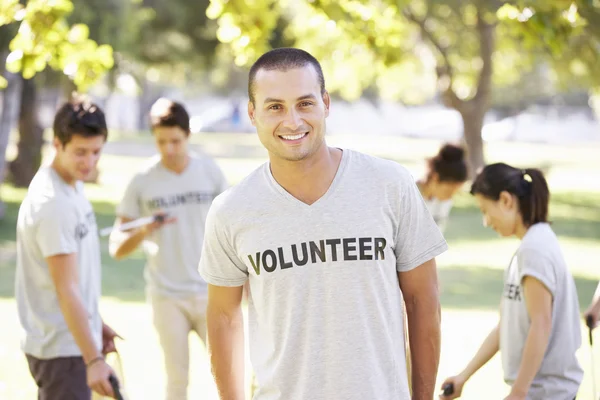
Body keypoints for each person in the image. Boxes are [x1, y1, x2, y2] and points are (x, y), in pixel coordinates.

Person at [199, 47, 447, 400]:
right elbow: (223, 318)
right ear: (253, 114)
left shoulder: (390, 185)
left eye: (305, 103)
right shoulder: (231, 211)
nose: (292, 121)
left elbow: (423, 301)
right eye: (275, 107)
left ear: (325, 104)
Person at [109, 98, 228, 400]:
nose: (169, 149)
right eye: (162, 142)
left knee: (229, 376)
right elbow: (117, 247)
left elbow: (232, 228)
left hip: (211, 291)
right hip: (167, 296)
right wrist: (144, 229)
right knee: (177, 381)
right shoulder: (142, 181)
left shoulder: (209, 172)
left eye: (176, 141)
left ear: (188, 135)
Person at [440, 163, 583, 400]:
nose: (486, 221)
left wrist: (518, 392)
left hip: (548, 394)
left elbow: (541, 323)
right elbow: (505, 325)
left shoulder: (535, 250)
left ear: (506, 200)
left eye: (485, 210)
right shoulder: (528, 248)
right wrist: (464, 376)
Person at [15, 97, 119, 399]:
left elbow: (74, 276)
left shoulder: (72, 183)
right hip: (61, 350)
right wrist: (94, 359)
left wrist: (95, 322)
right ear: (57, 144)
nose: (89, 162)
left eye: (96, 152)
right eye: (80, 153)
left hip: (73, 342)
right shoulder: (53, 203)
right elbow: (66, 289)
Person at [416, 143, 468, 232]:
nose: (450, 196)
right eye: (449, 191)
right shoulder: (408, 195)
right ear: (435, 177)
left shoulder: (445, 201)